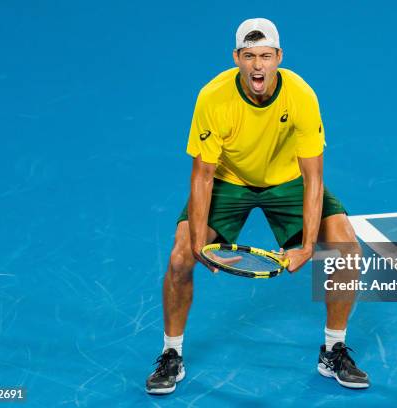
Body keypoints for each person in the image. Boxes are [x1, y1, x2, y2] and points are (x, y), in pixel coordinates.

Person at [146, 18, 369, 394]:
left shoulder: (301, 96)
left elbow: (313, 178)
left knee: (347, 249)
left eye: (265, 56)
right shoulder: (213, 97)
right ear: (236, 58)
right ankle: (171, 354)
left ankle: (333, 349)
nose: (258, 65)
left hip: (287, 183)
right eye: (249, 56)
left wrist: (309, 247)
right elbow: (202, 175)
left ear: (279, 57)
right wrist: (200, 241)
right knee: (181, 256)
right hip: (229, 183)